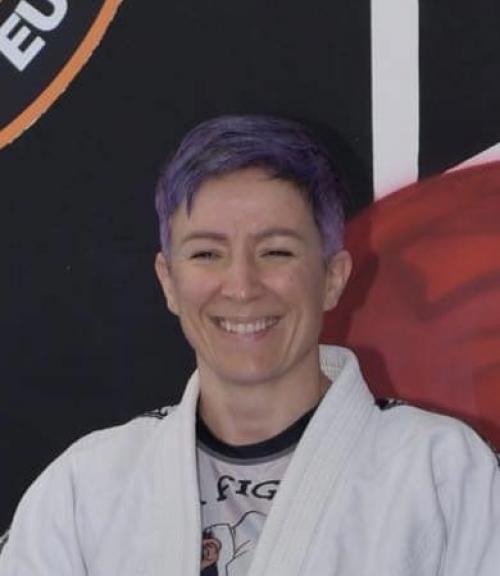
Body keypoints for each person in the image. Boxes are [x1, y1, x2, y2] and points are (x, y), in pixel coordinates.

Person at [1, 115, 499, 575]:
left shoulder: (441, 473)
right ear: (168, 281)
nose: (241, 287)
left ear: (332, 277)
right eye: (207, 254)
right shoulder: (84, 489)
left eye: (276, 252)